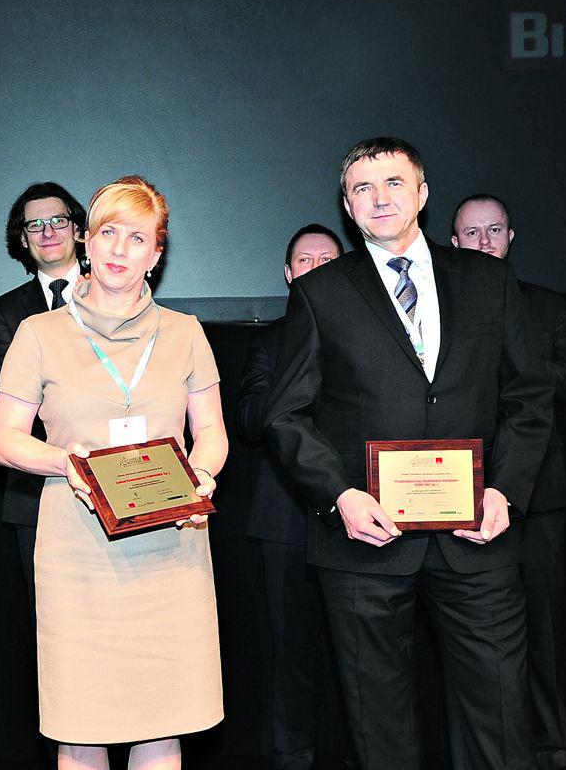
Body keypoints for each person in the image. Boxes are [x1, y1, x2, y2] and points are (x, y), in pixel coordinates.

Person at [264, 137, 553, 769]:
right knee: (379, 728)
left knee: (501, 718)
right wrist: (339, 495)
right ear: (347, 206)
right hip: (364, 540)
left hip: (479, 533)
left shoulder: (489, 280)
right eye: (362, 188)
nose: (380, 198)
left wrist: (506, 490)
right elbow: (285, 414)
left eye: (394, 183)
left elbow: (530, 397)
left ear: (422, 193)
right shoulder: (320, 292)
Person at [0, 175, 227, 770]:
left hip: (171, 545)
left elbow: (213, 434)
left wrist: (201, 474)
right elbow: (4, 441)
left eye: (137, 238)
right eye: (109, 233)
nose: (120, 249)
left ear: (156, 254)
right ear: (87, 241)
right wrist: (64, 462)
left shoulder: (186, 332)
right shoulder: (38, 332)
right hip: (78, 551)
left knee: (164, 726)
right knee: (80, 727)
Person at [451, 194, 566, 770]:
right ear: (453, 242)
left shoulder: (546, 306)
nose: (484, 241)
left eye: (494, 230)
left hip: (539, 493)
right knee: (472, 633)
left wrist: (520, 357)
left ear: (511, 237)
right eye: (472, 232)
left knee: (546, 624)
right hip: (458, 492)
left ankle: (554, 742)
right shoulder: (437, 304)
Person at [235, 222, 344, 770]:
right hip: (284, 514)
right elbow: (250, 420)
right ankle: (291, 752)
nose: (317, 269)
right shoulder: (271, 340)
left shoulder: (375, 332)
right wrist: (296, 382)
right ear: (287, 274)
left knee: (358, 644)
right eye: (306, 261)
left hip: (360, 511)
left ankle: (358, 749)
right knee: (288, 644)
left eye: (329, 260)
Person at [0, 181, 88, 613]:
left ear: (78, 230)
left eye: (58, 221)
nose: (48, 232)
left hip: (116, 478)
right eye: (35, 225)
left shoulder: (115, 296)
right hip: (33, 492)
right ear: (23, 239)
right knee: (48, 620)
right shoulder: (3, 312)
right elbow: (11, 401)